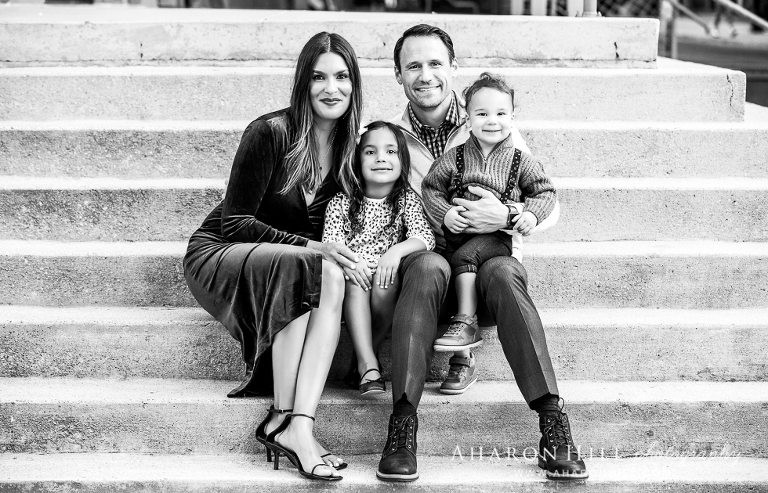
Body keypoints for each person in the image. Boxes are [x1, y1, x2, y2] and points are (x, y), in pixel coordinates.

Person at [372, 24, 588, 482]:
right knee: (426, 266)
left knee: (505, 273)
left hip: (489, 268)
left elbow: (548, 204)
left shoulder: (493, 121)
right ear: (398, 74)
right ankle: (402, 426)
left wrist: (506, 215)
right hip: (428, 272)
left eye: (435, 63)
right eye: (414, 65)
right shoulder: (389, 137)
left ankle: (553, 424)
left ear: (453, 68)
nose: (426, 75)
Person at [183, 31, 363, 482]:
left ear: (354, 84)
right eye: (318, 77)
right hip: (221, 253)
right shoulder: (270, 132)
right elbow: (234, 222)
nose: (331, 88)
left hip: (291, 265)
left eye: (341, 77)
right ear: (303, 83)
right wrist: (313, 247)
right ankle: (283, 416)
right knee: (305, 265)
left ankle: (297, 424)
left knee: (328, 275)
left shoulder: (351, 149)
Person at [422, 72, 557, 395]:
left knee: (466, 256)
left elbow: (545, 192)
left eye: (500, 113)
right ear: (467, 118)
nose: (492, 121)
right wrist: (446, 213)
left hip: (497, 240)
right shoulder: (455, 157)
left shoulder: (520, 160)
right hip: (456, 236)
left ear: (513, 117)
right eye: (482, 114)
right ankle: (461, 354)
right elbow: (431, 188)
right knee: (451, 259)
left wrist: (527, 215)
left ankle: (466, 321)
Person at [322, 121, 435, 396]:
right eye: (370, 152)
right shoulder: (341, 201)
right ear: (357, 160)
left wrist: (395, 252)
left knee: (387, 280)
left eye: (390, 151)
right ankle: (369, 365)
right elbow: (331, 242)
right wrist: (352, 262)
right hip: (353, 273)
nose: (381, 158)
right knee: (356, 282)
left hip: (386, 276)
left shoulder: (407, 199)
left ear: (402, 160)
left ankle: (364, 357)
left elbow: (425, 237)